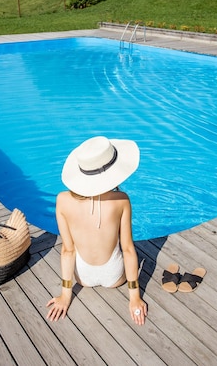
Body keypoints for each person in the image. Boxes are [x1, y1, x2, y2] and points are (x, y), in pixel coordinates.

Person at [46, 136, 147, 325]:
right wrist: (134, 297)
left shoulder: (62, 200)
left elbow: (68, 250)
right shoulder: (121, 200)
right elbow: (128, 249)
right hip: (115, 276)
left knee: (73, 248)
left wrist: (65, 295)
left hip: (82, 276)